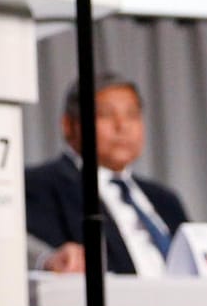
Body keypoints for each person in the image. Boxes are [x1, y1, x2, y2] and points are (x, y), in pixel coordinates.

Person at [25, 72, 190, 276]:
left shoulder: (165, 199)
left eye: (132, 115)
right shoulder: (39, 186)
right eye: (105, 115)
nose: (122, 126)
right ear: (69, 126)